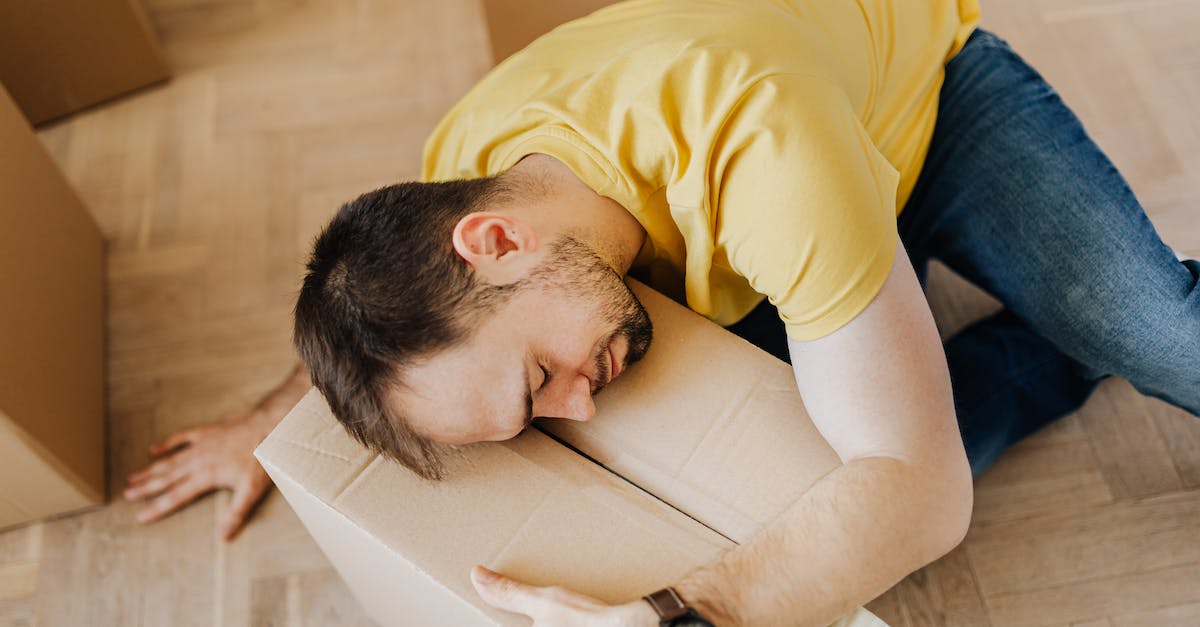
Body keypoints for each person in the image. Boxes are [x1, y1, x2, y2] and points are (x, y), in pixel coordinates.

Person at [125, 0, 1200, 624]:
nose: (579, 410)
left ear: (495, 244)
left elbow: (925, 502)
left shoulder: (753, 144)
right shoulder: (470, 178)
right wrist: (274, 424)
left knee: (1159, 335)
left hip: (925, 96)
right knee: (811, 489)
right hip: (807, 192)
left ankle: (1082, 321)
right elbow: (376, 301)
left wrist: (674, 618)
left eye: (538, 382)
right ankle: (1045, 339)